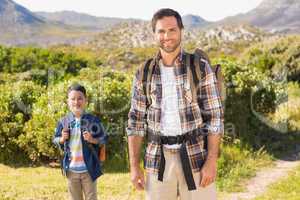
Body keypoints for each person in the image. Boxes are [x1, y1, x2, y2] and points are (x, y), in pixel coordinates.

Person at [126, 8, 224, 200]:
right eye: (161, 31)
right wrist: (134, 166)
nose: (167, 36)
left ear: (181, 31)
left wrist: (211, 162)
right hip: (157, 162)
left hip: (196, 157)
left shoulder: (199, 67)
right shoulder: (144, 72)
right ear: (154, 34)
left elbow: (215, 117)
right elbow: (135, 122)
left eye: (172, 30)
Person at [53, 83, 108, 200]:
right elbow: (55, 139)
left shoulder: (93, 120)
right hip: (71, 170)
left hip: (89, 169)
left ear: (85, 100)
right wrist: (62, 139)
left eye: (80, 98)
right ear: (68, 101)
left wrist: (92, 139)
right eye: (73, 99)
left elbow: (103, 139)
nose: (76, 102)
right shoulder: (64, 121)